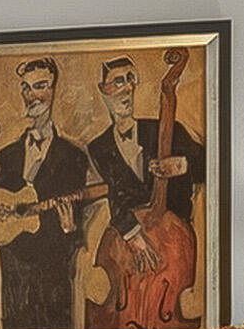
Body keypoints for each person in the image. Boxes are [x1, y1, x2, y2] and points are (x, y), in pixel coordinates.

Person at [0, 56, 96, 329]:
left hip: (52, 280)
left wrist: (69, 229)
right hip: (14, 283)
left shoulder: (73, 157)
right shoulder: (7, 155)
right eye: (26, 88)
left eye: (40, 86)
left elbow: (77, 231)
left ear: (53, 89)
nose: (32, 96)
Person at [80, 55, 194, 273]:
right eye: (118, 81)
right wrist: (131, 234)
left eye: (130, 79)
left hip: (175, 242)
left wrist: (182, 165)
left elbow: (210, 167)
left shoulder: (167, 129)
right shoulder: (99, 148)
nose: (127, 88)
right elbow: (116, 196)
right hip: (132, 247)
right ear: (103, 89)